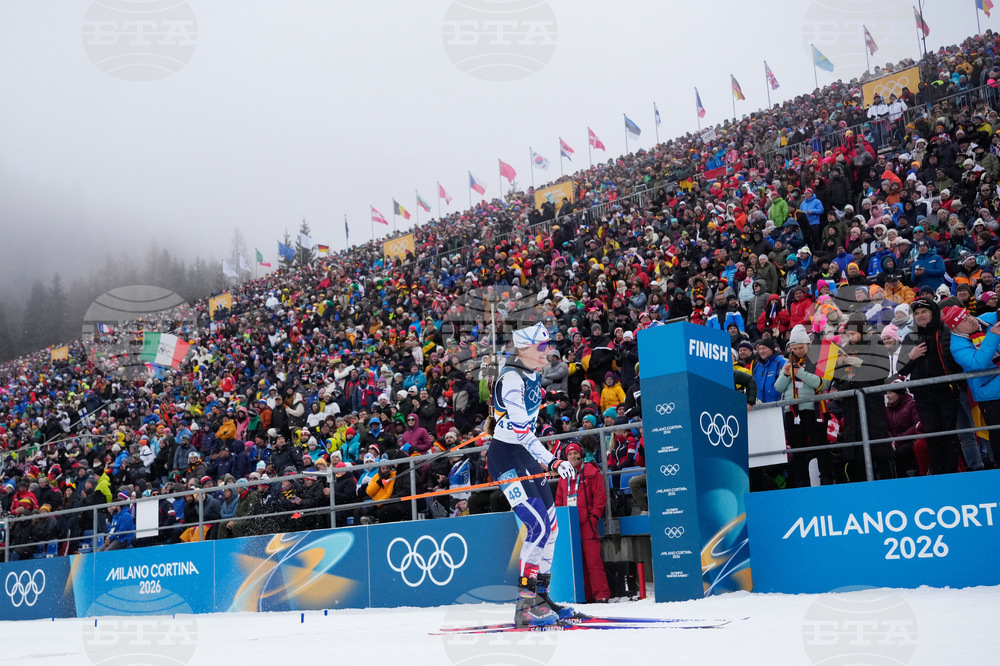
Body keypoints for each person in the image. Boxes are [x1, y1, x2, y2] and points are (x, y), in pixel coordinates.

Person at [488, 322, 578, 628]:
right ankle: (524, 605)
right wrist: (552, 461)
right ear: (524, 350)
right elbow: (523, 431)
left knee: (551, 526)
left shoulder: (531, 373)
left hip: (523, 455)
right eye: (541, 348)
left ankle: (541, 597)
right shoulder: (512, 379)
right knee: (537, 526)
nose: (547, 352)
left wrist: (551, 398)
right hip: (506, 459)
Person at [554, 442, 610, 603]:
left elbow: (600, 498)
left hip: (587, 523)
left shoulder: (592, 472)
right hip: (570, 525)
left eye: (575, 453)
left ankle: (601, 594)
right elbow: (559, 500)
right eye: (569, 454)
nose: (572, 456)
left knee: (593, 561)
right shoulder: (564, 477)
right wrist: (562, 520)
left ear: (581, 455)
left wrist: (594, 518)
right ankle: (584, 594)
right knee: (577, 561)